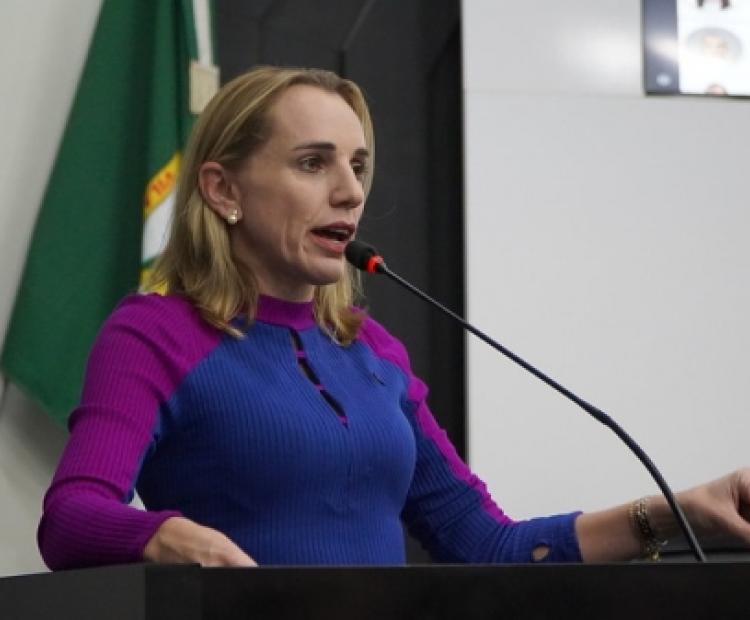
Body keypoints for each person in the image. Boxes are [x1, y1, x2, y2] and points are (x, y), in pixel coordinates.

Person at [37, 66, 750, 570]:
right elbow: (71, 516)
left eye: (358, 166)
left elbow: (485, 544)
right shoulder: (155, 334)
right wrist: (166, 536)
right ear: (224, 189)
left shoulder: (371, 352)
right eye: (313, 163)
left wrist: (680, 510)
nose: (350, 192)